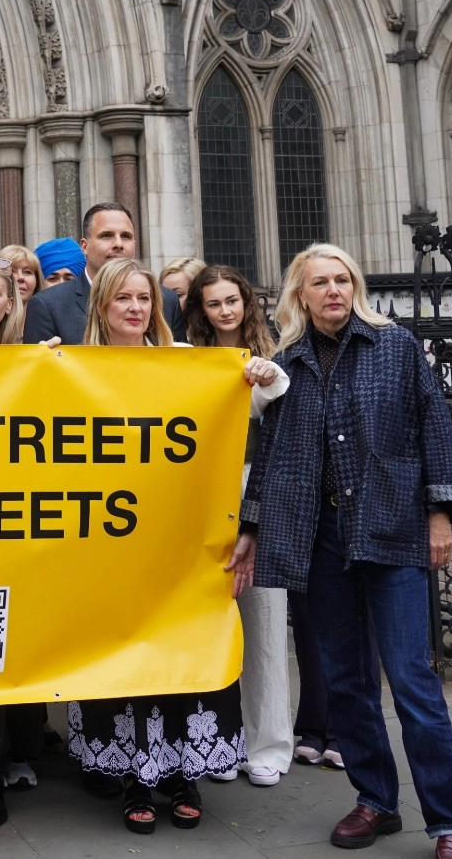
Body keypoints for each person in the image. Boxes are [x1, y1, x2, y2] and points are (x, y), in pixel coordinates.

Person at [230, 244, 452, 859]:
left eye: (342, 279)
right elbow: (274, 453)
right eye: (320, 282)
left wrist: (440, 514)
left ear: (355, 287)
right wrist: (252, 526)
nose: (334, 290)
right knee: (346, 682)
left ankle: (451, 824)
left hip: (393, 529)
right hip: (321, 538)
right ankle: (376, 800)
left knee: (412, 681)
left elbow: (434, 427)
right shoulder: (288, 362)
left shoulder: (394, 347)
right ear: (301, 294)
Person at [65, 259, 240, 834]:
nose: (136, 308)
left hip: (177, 540)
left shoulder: (185, 362)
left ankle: (182, 775)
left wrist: (258, 375)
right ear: (102, 306)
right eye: (123, 299)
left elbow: (247, 405)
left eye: (144, 298)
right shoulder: (73, 368)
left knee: (179, 652)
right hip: (107, 542)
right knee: (124, 655)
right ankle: (135, 778)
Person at [184, 266, 292, 788]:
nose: (225, 311)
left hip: (259, 487)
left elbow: (282, 403)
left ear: (246, 302)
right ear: (200, 310)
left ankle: (268, 744)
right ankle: (218, 742)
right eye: (214, 303)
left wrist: (267, 378)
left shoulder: (276, 353)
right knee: (207, 623)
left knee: (264, 621)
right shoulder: (188, 356)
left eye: (232, 300)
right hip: (203, 495)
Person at [24, 204, 184, 346]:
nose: (118, 244)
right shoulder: (47, 305)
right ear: (84, 246)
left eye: (126, 236)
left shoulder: (167, 300)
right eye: (107, 236)